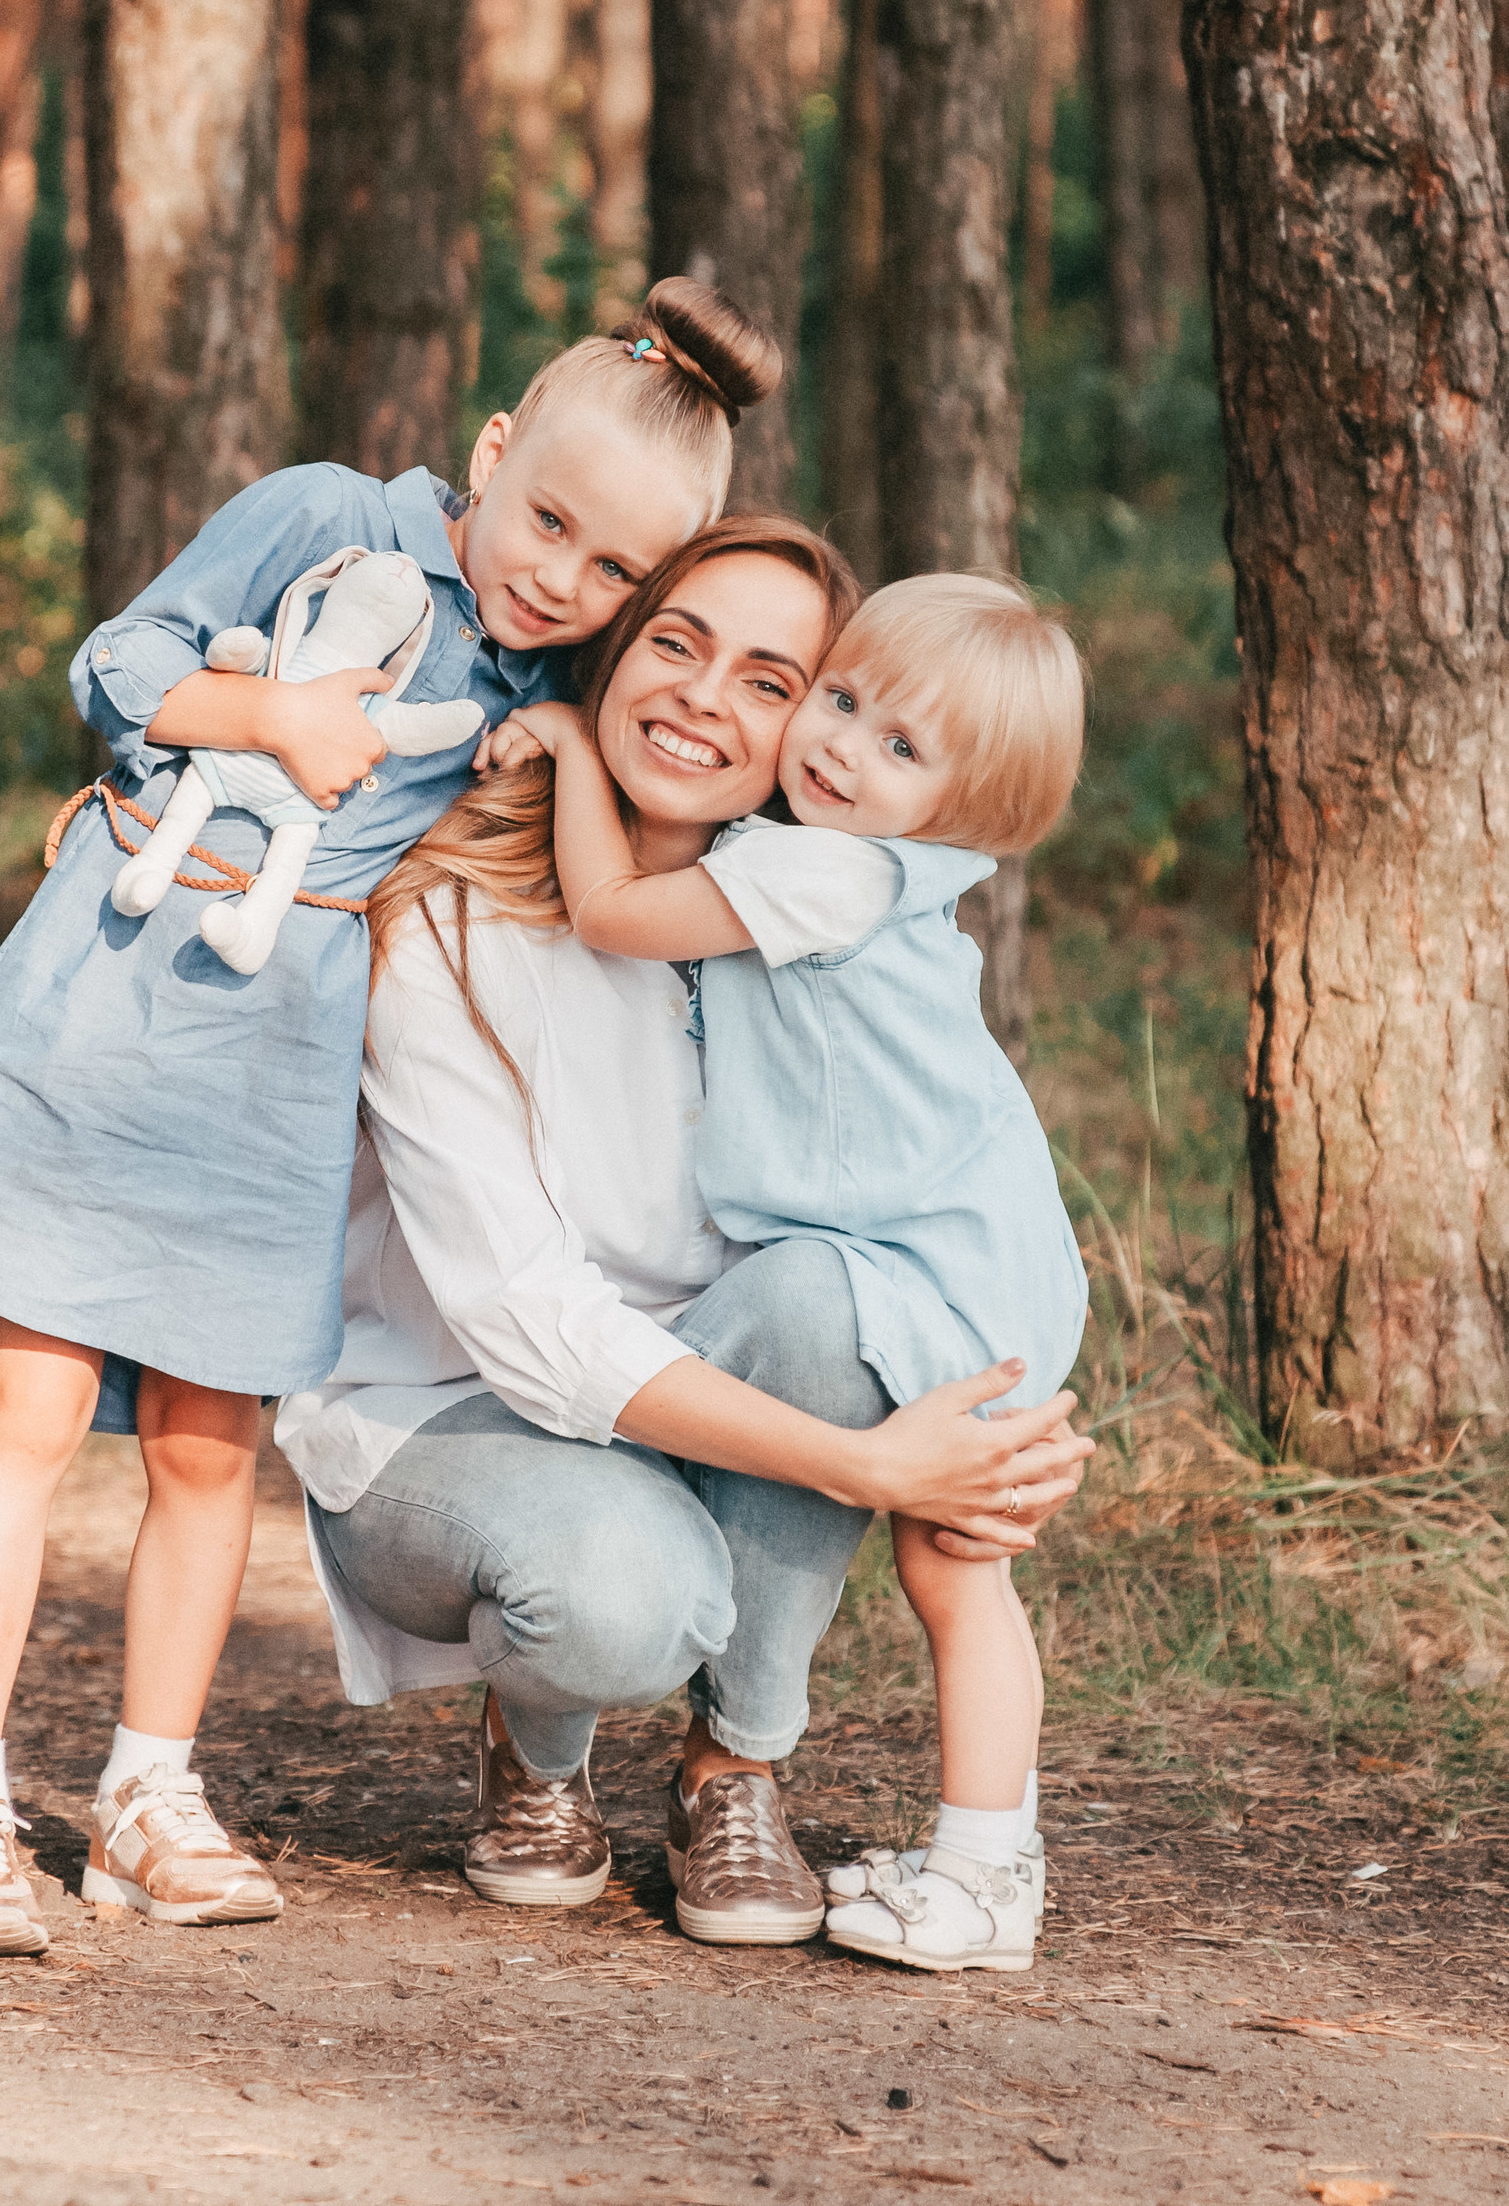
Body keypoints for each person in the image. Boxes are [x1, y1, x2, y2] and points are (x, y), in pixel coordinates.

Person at [0, 281, 782, 1960]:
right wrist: (269, 711)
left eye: (605, 572)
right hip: (124, 985)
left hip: (281, 1054)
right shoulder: (324, 517)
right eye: (547, 520)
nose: (557, 576)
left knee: (211, 1450)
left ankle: (149, 1793)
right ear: (492, 452)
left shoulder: (547, 674)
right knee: (31, 1401)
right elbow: (118, 660)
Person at [276, 522, 1093, 1949]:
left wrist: (982, 1413)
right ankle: (537, 1756)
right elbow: (527, 1317)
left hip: (688, 1400)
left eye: (777, 680)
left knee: (831, 1305)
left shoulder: (796, 919)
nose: (713, 700)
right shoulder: (451, 917)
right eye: (677, 644)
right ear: (615, 650)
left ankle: (738, 1769)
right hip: (450, 1414)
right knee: (618, 1596)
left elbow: (911, 1185)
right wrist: (870, 1463)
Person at [504, 570, 1087, 1972]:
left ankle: (960, 1862)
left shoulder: (818, 869)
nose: (838, 746)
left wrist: (580, 746)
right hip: (986, 1267)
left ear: (961, 806)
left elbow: (612, 912)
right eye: (839, 700)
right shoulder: (875, 868)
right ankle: (983, 1862)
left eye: (901, 749)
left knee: (945, 1557)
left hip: (925, 1276)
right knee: (961, 1582)